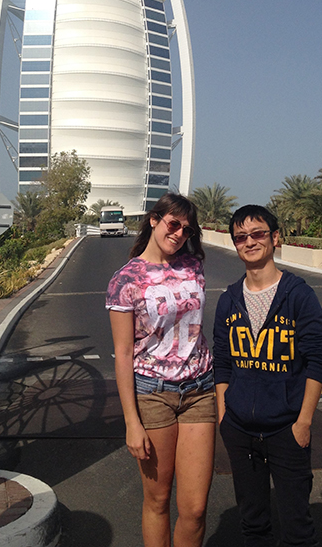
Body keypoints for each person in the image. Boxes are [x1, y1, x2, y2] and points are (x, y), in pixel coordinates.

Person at [214, 204, 322, 547]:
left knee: (297, 529)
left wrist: (303, 422)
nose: (249, 242)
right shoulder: (229, 300)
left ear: (275, 238)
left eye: (258, 234)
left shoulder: (298, 295)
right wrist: (224, 416)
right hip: (240, 431)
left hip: (286, 429)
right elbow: (222, 362)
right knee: (253, 526)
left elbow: (318, 360)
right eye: (241, 237)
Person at [106, 193, 216, 547]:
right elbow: (123, 353)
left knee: (195, 508)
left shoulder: (193, 266)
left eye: (187, 229)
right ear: (154, 220)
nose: (179, 233)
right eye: (173, 223)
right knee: (158, 499)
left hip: (200, 389)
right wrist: (131, 422)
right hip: (153, 394)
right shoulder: (125, 279)